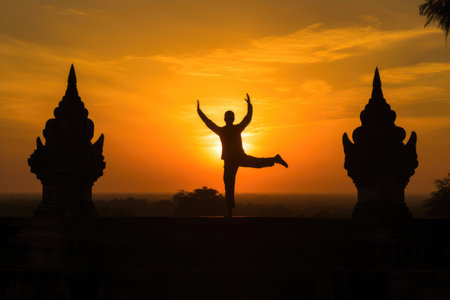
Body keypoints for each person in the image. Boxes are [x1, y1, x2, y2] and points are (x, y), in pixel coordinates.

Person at [197, 94, 288, 218]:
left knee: (235, 181)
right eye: (228, 117)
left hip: (236, 158)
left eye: (229, 117)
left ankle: (229, 212)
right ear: (228, 119)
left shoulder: (228, 130)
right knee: (230, 184)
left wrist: (250, 106)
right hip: (231, 160)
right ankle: (229, 212)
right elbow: (209, 122)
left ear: (228, 119)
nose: (228, 119)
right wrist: (199, 111)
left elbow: (245, 119)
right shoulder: (226, 130)